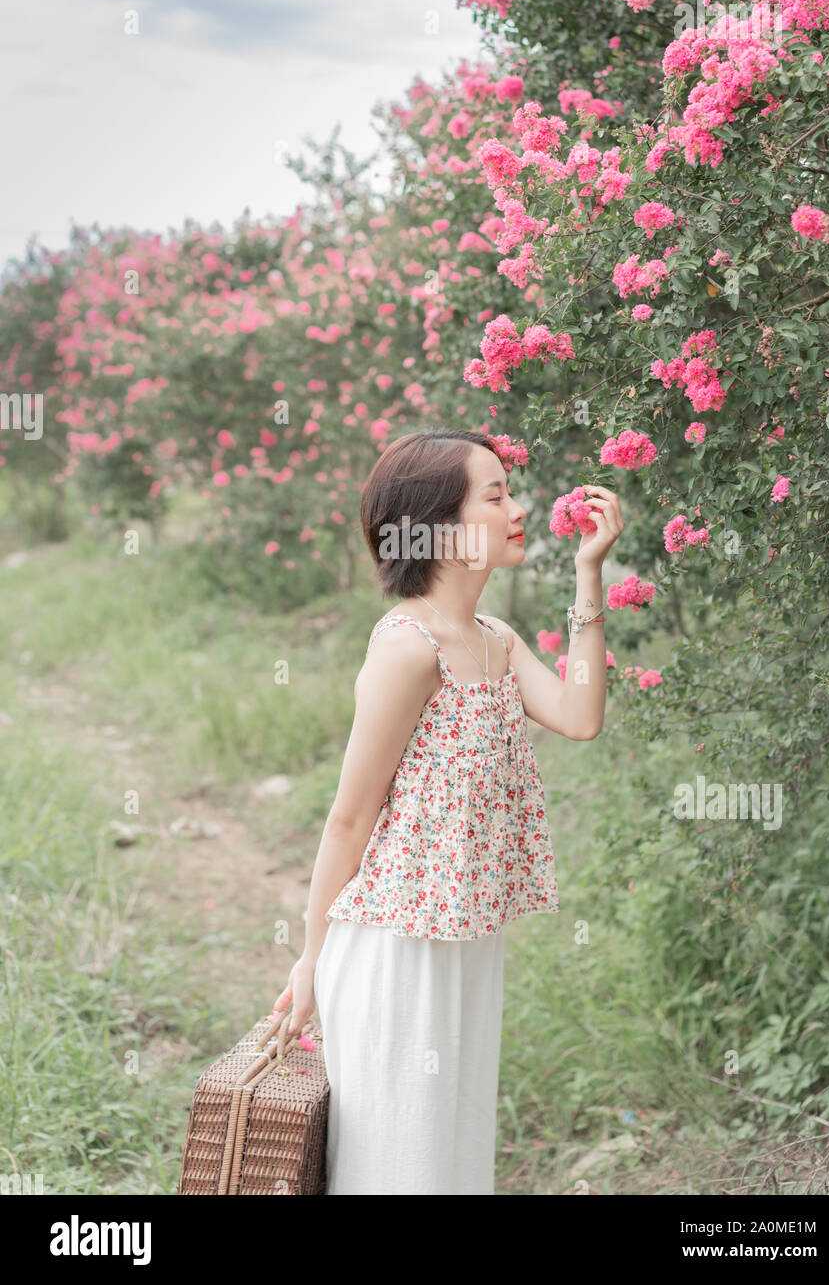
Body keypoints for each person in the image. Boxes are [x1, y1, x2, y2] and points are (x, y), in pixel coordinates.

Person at [263, 428, 623, 1194]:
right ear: (438, 525)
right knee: (400, 1171)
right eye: (494, 496)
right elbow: (348, 819)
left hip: (466, 940)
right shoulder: (408, 646)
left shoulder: (493, 639)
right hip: (395, 948)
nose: (518, 507)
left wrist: (588, 575)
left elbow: (580, 715)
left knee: (452, 1167)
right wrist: (311, 962)